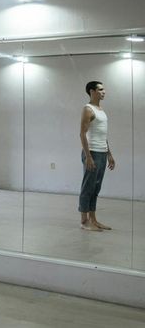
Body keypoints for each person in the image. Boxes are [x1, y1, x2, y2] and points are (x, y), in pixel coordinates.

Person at [78, 80, 115, 231]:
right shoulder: (88, 109)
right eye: (100, 89)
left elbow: (102, 135)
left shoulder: (101, 110)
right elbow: (82, 134)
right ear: (92, 91)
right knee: (88, 187)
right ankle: (84, 221)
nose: (103, 92)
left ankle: (93, 219)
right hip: (92, 152)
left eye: (103, 89)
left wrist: (109, 154)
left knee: (96, 187)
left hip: (102, 152)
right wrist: (88, 157)